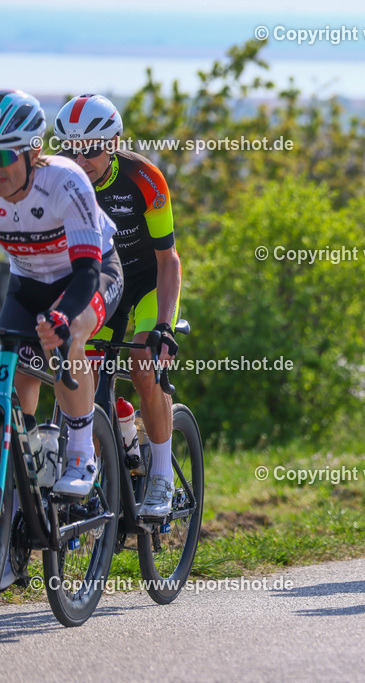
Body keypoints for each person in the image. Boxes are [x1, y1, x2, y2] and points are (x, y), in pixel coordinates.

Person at [1, 90, 123, 590]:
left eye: (5, 158)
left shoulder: (65, 181)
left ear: (34, 152)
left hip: (89, 275)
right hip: (28, 283)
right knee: (13, 379)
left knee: (71, 335)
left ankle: (80, 450)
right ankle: (22, 483)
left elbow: (88, 271)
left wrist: (61, 316)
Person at [53, 94, 180, 517]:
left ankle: (161, 475)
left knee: (144, 364)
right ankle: (111, 446)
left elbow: (168, 260)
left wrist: (163, 325)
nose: (81, 159)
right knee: (82, 375)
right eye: (71, 148)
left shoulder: (144, 179)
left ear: (113, 143)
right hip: (101, 284)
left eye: (90, 149)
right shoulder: (59, 177)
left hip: (146, 284)